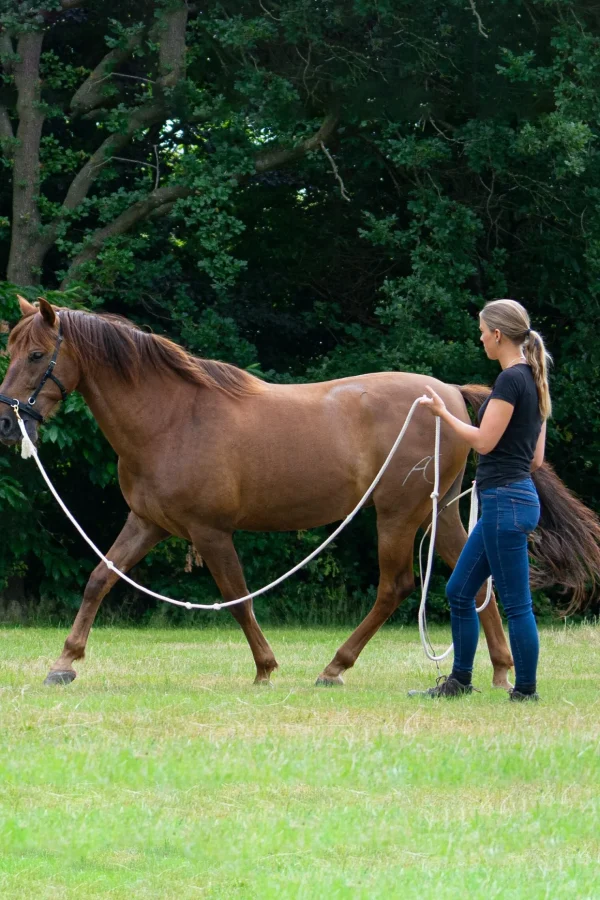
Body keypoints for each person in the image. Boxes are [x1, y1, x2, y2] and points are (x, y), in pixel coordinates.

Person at [412, 299, 552, 702]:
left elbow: (484, 441)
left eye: (481, 331)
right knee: (459, 590)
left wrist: (443, 413)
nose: (479, 338)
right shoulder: (534, 379)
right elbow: (536, 458)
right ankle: (459, 681)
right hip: (511, 500)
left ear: (497, 335)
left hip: (504, 503)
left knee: (517, 605)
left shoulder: (511, 381)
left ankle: (525, 691)